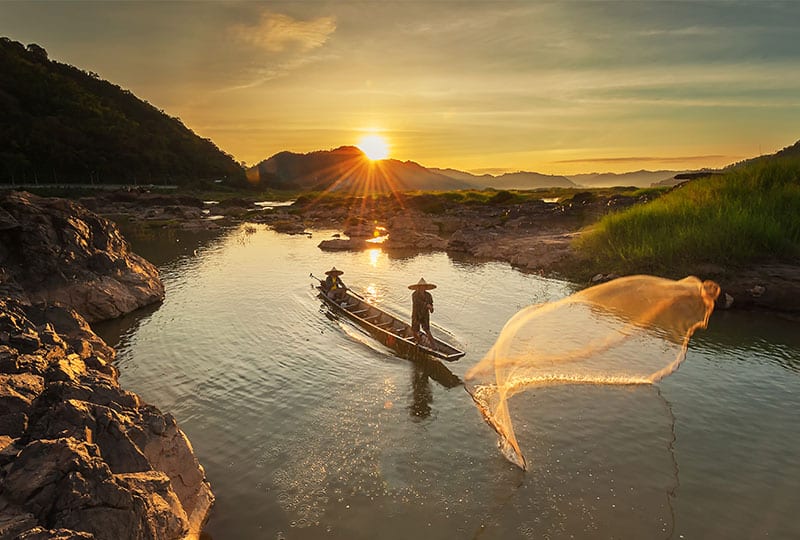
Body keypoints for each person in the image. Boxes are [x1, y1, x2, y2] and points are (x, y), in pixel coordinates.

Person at [409, 277, 436, 344]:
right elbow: (417, 302)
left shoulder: (428, 295)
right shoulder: (414, 294)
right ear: (418, 287)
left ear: (425, 287)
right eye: (421, 287)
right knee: (414, 330)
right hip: (416, 314)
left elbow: (431, 304)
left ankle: (433, 345)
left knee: (427, 329)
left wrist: (431, 308)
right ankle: (418, 341)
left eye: (423, 287)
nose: (422, 288)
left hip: (425, 315)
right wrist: (427, 305)